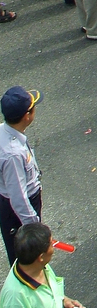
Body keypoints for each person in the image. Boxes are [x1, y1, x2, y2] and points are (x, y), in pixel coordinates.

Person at [0, 223, 88, 308]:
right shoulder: (15, 295)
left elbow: (48, 293)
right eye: (51, 243)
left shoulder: (40, 266)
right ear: (41, 256)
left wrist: (64, 300)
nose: (54, 246)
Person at [0, 87, 41, 265]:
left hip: (8, 205)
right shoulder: (13, 154)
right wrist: (34, 227)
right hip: (18, 213)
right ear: (27, 116)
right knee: (26, 260)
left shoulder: (4, 131)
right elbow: (19, 198)